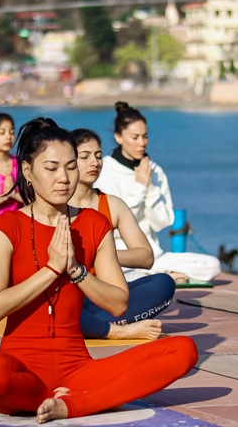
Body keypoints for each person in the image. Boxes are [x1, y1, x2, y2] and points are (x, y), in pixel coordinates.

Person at [0, 117, 197, 422]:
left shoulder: (94, 224)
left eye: (70, 166)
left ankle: (71, 405)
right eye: (51, 168)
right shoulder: (7, 227)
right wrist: (52, 269)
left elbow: (118, 303)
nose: (63, 178)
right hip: (21, 372)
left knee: (183, 350)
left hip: (77, 368)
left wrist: (76, 270)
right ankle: (55, 399)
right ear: (27, 171)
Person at [68, 128, 175, 341]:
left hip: (105, 296)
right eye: (85, 156)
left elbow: (145, 256)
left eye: (98, 156)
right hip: (69, 294)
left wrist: (103, 255)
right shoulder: (56, 204)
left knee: (164, 284)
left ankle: (95, 326)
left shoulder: (112, 205)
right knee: (56, 304)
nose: (95, 162)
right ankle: (108, 328)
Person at [96, 102, 220, 283]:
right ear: (118, 137)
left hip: (154, 256)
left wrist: (149, 188)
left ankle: (156, 275)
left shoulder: (155, 171)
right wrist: (139, 188)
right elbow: (115, 223)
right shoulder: (105, 170)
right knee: (113, 271)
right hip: (121, 255)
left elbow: (161, 223)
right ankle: (159, 277)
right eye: (135, 137)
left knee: (212, 265)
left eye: (145, 137)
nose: (142, 143)